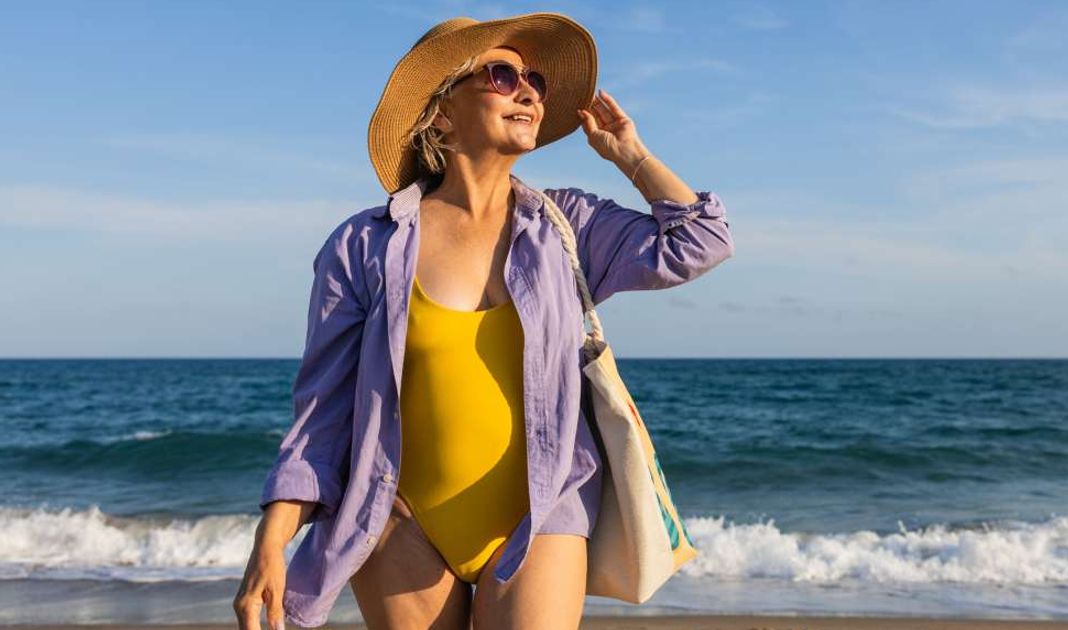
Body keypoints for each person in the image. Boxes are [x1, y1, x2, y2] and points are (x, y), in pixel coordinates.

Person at [234, 12, 734, 630]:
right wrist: (273, 538)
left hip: (542, 513)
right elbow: (323, 413)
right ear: (441, 110)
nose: (528, 90)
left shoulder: (564, 226)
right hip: (398, 519)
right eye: (501, 75)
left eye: (535, 81)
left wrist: (631, 156)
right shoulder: (364, 245)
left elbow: (701, 240)